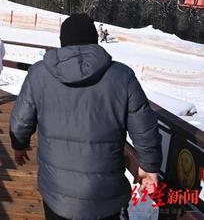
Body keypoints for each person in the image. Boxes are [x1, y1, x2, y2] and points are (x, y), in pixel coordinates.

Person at [10, 13, 161, 220]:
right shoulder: (122, 76)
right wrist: (150, 166)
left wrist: (19, 146)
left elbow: (20, 121)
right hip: (105, 194)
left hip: (56, 192)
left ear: (63, 41)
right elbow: (145, 128)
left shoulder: (39, 74)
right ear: (95, 40)